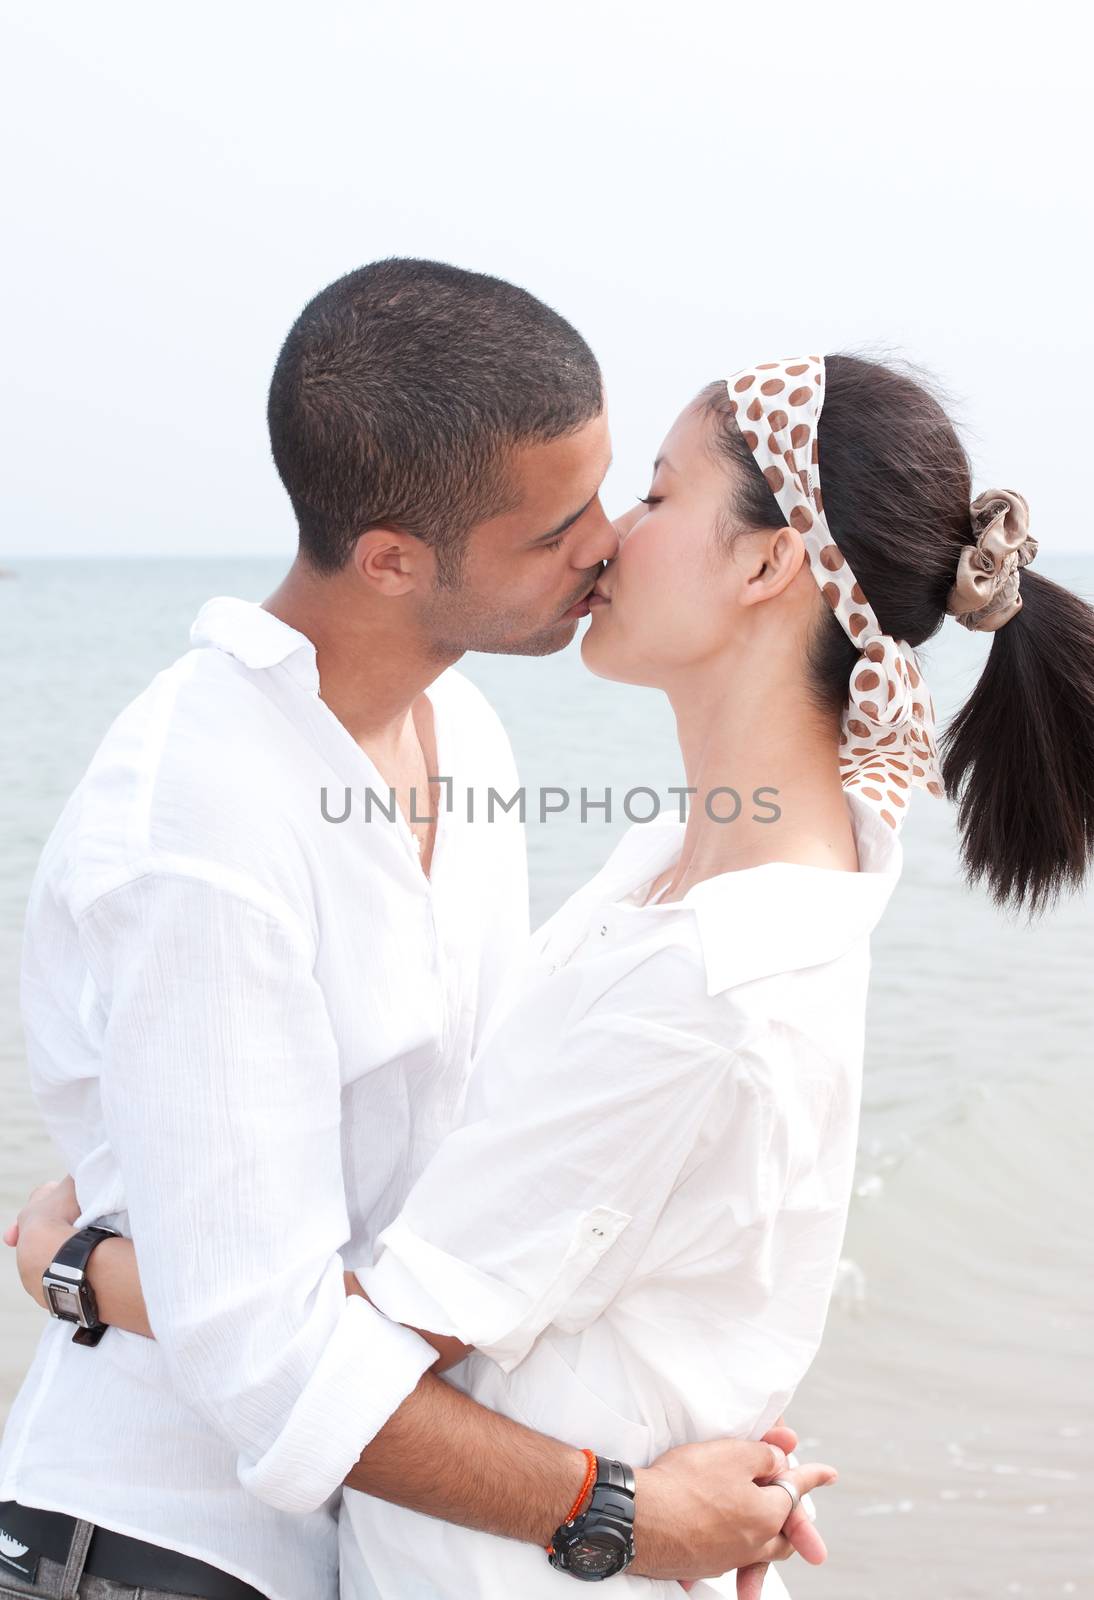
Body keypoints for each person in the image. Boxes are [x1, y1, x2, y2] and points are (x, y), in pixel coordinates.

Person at [15, 347, 1094, 1596]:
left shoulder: (712, 966)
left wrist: (85, 1266)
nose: (608, 544)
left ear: (763, 561)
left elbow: (362, 1342)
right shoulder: (685, 869)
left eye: (652, 493)